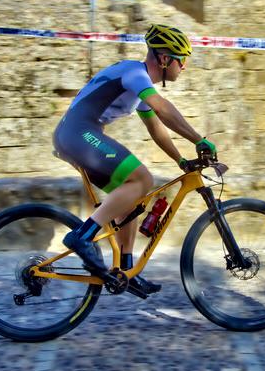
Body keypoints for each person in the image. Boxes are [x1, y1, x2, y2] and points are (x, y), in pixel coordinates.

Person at [52, 24, 216, 297]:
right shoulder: (135, 73)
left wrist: (181, 160)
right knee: (142, 179)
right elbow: (161, 108)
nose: (184, 66)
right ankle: (82, 235)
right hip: (77, 133)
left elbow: (156, 128)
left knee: (131, 200)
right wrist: (198, 139)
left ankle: (126, 272)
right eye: (182, 59)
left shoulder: (139, 83)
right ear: (164, 59)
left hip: (76, 134)